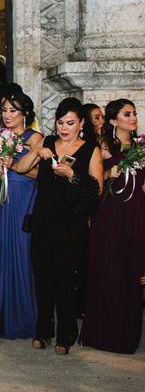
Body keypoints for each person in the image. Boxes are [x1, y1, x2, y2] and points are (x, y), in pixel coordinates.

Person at [15, 97, 103, 355]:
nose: (65, 128)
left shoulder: (91, 150)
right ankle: (43, 330)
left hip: (71, 223)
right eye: (60, 122)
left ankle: (66, 334)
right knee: (43, 278)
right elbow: (19, 168)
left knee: (65, 280)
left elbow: (95, 191)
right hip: (43, 219)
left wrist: (72, 175)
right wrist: (35, 151)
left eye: (71, 123)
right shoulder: (48, 142)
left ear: (81, 123)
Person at [79, 99, 144, 354]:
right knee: (107, 271)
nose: (133, 118)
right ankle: (101, 334)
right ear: (114, 120)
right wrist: (109, 174)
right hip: (110, 214)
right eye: (127, 114)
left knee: (131, 272)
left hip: (135, 214)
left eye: (134, 113)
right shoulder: (102, 147)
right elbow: (93, 184)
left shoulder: (141, 147)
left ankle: (125, 336)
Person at [0, 92, 43, 339]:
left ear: (25, 114)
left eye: (13, 110)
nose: (7, 115)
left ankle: (26, 318)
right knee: (2, 251)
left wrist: (18, 165)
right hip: (4, 202)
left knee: (24, 253)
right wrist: (0, 166)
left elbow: (43, 174)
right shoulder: (0, 137)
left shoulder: (36, 138)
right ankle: (1, 315)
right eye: (5, 110)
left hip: (26, 200)